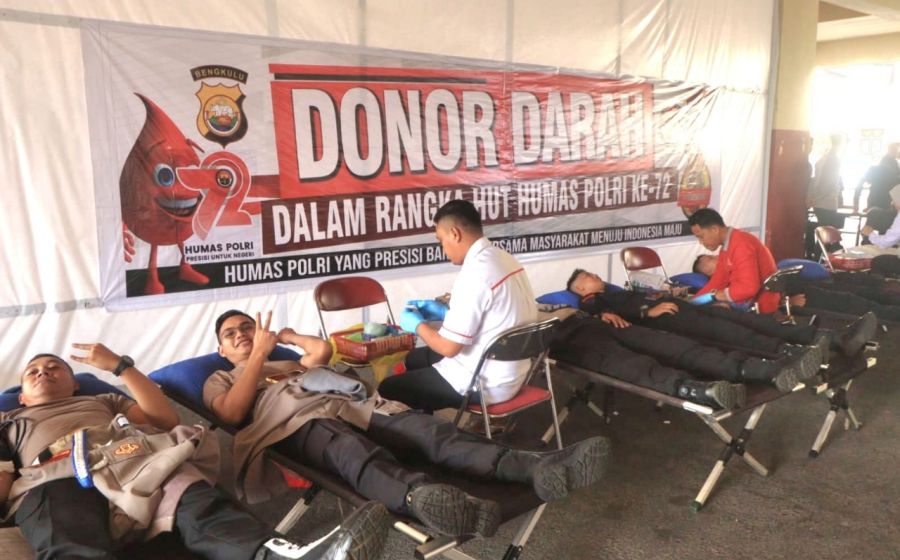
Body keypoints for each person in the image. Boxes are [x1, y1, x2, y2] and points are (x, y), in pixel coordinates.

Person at [205, 309, 608, 540]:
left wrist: (285, 336)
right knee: (351, 451)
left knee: (429, 431)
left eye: (247, 327)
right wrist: (255, 357)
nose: (241, 335)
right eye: (230, 334)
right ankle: (422, 498)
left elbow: (321, 349)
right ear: (221, 349)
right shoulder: (220, 378)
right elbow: (230, 415)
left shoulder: (289, 362)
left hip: (351, 404)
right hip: (295, 423)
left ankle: (535, 467)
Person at [0, 349, 391, 560]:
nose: (44, 372)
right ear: (21, 397)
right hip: (59, 476)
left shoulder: (103, 399)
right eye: (33, 371)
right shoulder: (9, 421)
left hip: (137, 462)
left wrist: (120, 367)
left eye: (55, 367)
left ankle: (278, 557)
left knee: (197, 498)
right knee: (66, 529)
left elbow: (164, 419)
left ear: (74, 384)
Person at [378, 199, 538, 411]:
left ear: (454, 234)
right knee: (415, 359)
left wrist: (417, 325)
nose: (442, 248)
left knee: (388, 388)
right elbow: (492, 313)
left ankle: (426, 430)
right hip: (513, 371)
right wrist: (446, 313)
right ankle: (426, 423)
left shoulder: (474, 274)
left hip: (485, 382)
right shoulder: (503, 258)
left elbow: (448, 348)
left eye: (441, 240)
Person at [565, 269, 834, 393]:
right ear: (581, 289)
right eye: (588, 277)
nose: (594, 275)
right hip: (667, 318)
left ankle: (806, 340)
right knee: (728, 332)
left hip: (680, 308)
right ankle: (786, 354)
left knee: (740, 320)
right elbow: (595, 310)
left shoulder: (614, 291)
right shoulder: (592, 300)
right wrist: (647, 311)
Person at [695, 253, 900, 322]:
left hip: (805, 284)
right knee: (856, 303)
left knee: (861, 291)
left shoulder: (741, 267)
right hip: (799, 298)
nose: (716, 260)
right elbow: (753, 307)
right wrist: (787, 303)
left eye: (712, 257)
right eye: (710, 264)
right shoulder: (728, 290)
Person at [688, 208, 780, 312]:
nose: (700, 242)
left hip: (762, 308)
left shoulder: (741, 244)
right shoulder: (726, 248)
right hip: (748, 304)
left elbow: (748, 288)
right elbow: (717, 282)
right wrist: (691, 303)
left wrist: (715, 296)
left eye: (701, 236)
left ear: (714, 229)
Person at [808, 133, 846, 230]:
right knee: (827, 232)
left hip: (821, 202)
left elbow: (818, 179)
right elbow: (827, 182)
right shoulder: (833, 159)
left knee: (824, 231)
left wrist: (814, 196)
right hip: (826, 202)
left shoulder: (824, 158)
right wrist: (818, 197)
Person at [854, 142, 900, 213]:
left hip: (873, 204)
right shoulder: (894, 174)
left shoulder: (874, 170)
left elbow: (859, 185)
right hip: (886, 206)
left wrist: (855, 204)